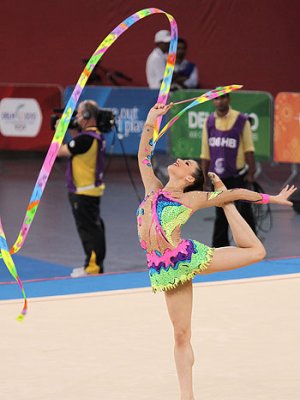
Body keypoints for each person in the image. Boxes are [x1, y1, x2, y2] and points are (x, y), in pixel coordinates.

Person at [137, 102, 296, 400]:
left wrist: (271, 198)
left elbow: (236, 191)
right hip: (163, 268)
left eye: (186, 164)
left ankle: (228, 210)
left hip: (186, 259)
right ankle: (188, 395)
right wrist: (150, 120)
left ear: (188, 179)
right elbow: (143, 155)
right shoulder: (152, 188)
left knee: (257, 252)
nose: (181, 160)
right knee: (181, 334)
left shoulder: (192, 198)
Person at [200, 92, 257, 247]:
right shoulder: (209, 122)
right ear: (213, 102)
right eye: (217, 98)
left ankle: (252, 246)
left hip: (238, 176)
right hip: (217, 178)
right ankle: (219, 247)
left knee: (244, 212)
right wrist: (204, 179)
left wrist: (251, 173)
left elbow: (249, 148)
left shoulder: (241, 120)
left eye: (223, 97)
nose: (220, 100)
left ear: (229, 99)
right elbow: (205, 152)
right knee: (221, 214)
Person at [58, 100, 106, 277]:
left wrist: (59, 131)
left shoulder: (86, 139)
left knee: (88, 230)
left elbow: (59, 151)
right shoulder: (93, 136)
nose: (76, 117)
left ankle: (92, 268)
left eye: (78, 114)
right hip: (90, 190)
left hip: (83, 192)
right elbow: (75, 145)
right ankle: (92, 265)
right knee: (93, 228)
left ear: (86, 116)